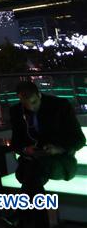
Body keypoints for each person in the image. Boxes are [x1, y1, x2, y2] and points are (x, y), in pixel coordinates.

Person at [8, 80, 85, 228]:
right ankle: (36, 223)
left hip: (62, 161)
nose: (31, 107)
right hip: (33, 162)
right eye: (26, 104)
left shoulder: (60, 106)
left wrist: (58, 149)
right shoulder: (17, 111)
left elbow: (79, 140)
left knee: (32, 173)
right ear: (20, 100)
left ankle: (21, 216)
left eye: (34, 102)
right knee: (33, 173)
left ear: (39, 95)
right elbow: (15, 143)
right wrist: (26, 150)